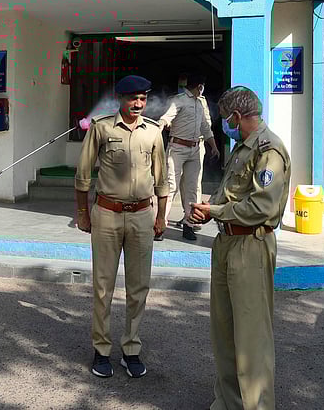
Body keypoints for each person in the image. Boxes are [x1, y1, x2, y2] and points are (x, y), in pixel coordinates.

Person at [190, 86, 291, 410]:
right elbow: (231, 194)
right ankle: (229, 403)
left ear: (236, 116)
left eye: (225, 119)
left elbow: (262, 206)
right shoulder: (242, 148)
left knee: (251, 338)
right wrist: (208, 207)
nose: (224, 126)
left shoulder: (268, 150)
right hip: (228, 242)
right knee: (224, 334)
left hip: (251, 244)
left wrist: (216, 211)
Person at [74, 75, 169, 380]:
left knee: (139, 287)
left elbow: (162, 178)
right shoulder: (101, 128)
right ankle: (102, 350)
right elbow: (83, 174)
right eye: (132, 99)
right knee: (103, 286)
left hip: (142, 215)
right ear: (120, 99)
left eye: (142, 98)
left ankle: (131, 349)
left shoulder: (153, 132)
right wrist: (83, 214)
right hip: (107, 214)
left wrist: (162, 216)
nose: (138, 104)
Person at [158, 73, 220, 241]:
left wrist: (213, 145)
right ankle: (160, 224)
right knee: (170, 187)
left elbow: (205, 126)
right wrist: (160, 127)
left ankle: (189, 225)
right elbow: (166, 118)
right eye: (202, 87)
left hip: (195, 149)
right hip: (177, 148)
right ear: (199, 86)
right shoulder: (178, 100)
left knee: (192, 189)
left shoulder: (201, 103)